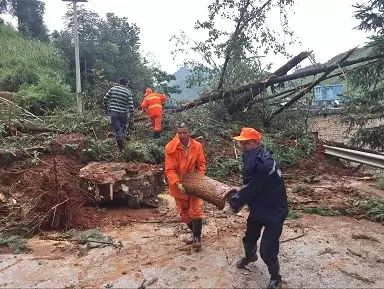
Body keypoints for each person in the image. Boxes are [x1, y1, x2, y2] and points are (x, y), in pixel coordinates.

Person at [223, 127, 288, 289]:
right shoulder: (251, 157)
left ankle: (276, 278)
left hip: (274, 212)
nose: (243, 146)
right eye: (241, 143)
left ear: (256, 143)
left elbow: (251, 187)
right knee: (249, 238)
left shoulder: (265, 164)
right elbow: (249, 185)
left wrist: (234, 204)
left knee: (267, 249)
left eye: (246, 143)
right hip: (259, 208)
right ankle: (250, 257)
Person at [164, 123, 206, 249]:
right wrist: (177, 182)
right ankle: (194, 233)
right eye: (179, 133)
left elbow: (202, 165)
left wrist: (197, 179)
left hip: (194, 184)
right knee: (183, 213)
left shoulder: (197, 146)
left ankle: (197, 237)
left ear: (189, 132)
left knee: (196, 210)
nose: (182, 135)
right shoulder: (170, 148)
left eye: (184, 132)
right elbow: (169, 170)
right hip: (178, 184)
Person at [103, 77, 134, 151]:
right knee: (123, 128)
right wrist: (132, 114)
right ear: (126, 83)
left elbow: (105, 98)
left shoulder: (113, 89)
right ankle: (121, 143)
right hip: (123, 114)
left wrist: (107, 107)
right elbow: (131, 105)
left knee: (117, 129)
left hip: (114, 113)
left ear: (119, 82)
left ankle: (120, 143)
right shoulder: (128, 92)